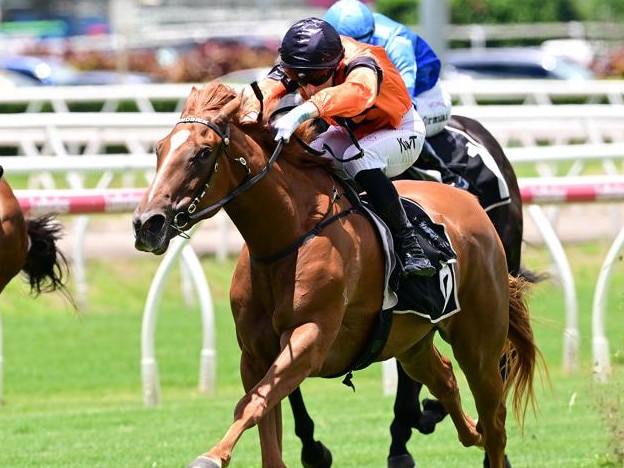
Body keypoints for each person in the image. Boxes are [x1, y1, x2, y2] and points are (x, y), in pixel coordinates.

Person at [248, 17, 436, 277]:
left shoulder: (363, 64)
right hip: (351, 131)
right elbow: (261, 92)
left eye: (315, 77)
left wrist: (303, 112)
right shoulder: (306, 65)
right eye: (296, 77)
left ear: (335, 64)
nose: (307, 86)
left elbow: (356, 93)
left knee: (357, 158)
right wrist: (233, 112)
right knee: (308, 154)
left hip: (399, 129)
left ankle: (409, 242)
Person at [324, 0, 469, 188]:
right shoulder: (354, 27)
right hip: (386, 99)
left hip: (427, 99)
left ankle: (448, 176)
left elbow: (405, 101)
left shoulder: (397, 43)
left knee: (397, 125)